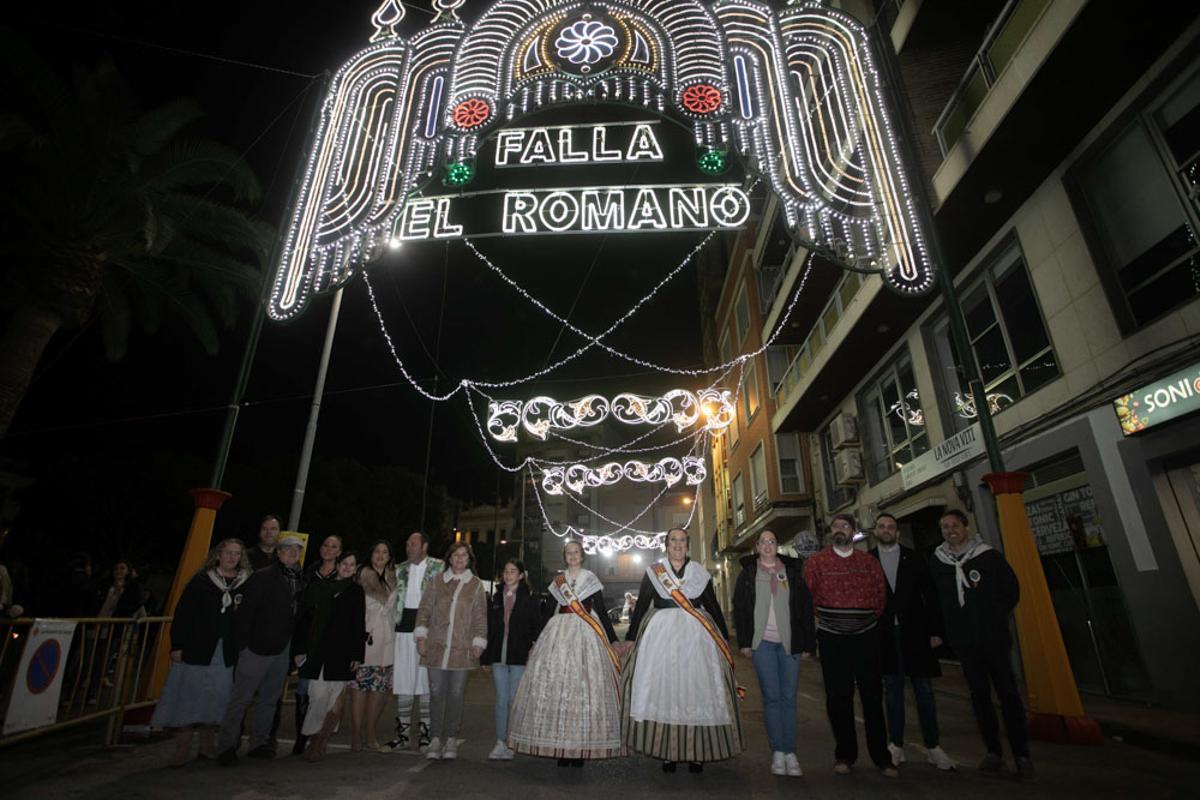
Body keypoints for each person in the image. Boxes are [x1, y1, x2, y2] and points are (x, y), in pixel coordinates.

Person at [622, 527, 741, 773]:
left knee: (697, 688)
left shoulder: (699, 572)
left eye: (682, 540)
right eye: (673, 540)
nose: (678, 544)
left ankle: (697, 753)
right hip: (661, 636)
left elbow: (712, 605)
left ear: (688, 545)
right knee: (666, 689)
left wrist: (723, 636)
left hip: (696, 636)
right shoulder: (654, 572)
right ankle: (670, 753)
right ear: (666, 545)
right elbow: (642, 604)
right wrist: (631, 637)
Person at [929, 509, 1032, 780]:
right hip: (964, 641)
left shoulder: (988, 557)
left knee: (1008, 694)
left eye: (954, 525)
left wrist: (992, 616)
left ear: (966, 527)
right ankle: (993, 751)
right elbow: (935, 600)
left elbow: (1010, 591)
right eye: (945, 527)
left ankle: (1021, 754)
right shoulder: (938, 562)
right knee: (979, 696)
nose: (950, 531)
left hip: (993, 638)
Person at [508, 540, 622, 766]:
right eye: (569, 552)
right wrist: (536, 640)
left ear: (582, 556)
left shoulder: (590, 579)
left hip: (587, 635)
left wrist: (613, 640)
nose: (572, 555)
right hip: (558, 635)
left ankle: (580, 748)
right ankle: (561, 747)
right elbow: (547, 612)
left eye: (576, 552)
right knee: (559, 690)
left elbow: (601, 610)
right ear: (565, 557)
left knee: (584, 690)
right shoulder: (558, 582)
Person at [803, 514, 894, 777]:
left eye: (845, 526)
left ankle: (882, 757)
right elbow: (808, 597)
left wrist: (863, 621)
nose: (839, 530)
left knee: (872, 697)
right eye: (835, 527)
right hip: (832, 639)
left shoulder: (869, 562)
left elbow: (880, 596)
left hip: (866, 638)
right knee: (838, 697)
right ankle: (845, 754)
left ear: (853, 532)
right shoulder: (817, 563)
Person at [152, 539, 251, 765]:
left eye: (237, 553)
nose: (232, 557)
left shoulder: (244, 584)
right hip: (197, 650)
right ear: (218, 555)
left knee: (217, 700)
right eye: (228, 552)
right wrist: (177, 645)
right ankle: (182, 749)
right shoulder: (201, 581)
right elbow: (183, 614)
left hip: (226, 654)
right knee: (188, 699)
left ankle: (207, 747)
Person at [870, 512, 955, 771]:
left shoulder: (915, 558)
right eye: (882, 526)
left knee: (924, 691)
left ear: (897, 532)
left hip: (916, 633)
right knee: (892, 691)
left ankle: (933, 746)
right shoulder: (868, 561)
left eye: (891, 526)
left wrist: (936, 631)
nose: (886, 530)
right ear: (875, 531)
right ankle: (895, 744)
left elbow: (930, 595)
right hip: (885, 636)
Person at [732, 529, 815, 777]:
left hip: (790, 644)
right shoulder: (748, 573)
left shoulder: (791, 571)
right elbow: (740, 609)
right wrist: (744, 642)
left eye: (772, 541)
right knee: (772, 698)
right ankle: (778, 750)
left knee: (789, 698)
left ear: (776, 545)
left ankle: (791, 752)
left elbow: (804, 607)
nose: (768, 545)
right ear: (757, 547)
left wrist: (809, 643)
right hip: (763, 644)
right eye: (763, 542)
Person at [217, 534, 304, 765]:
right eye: (288, 549)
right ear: (278, 552)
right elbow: (245, 613)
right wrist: (244, 647)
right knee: (241, 698)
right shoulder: (263, 576)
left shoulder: (298, 579)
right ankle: (227, 745)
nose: (292, 553)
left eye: (297, 550)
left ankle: (259, 742)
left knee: (270, 699)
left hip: (282, 648)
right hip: (256, 648)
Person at [414, 541, 487, 761]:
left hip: (461, 650)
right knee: (436, 693)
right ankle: (435, 738)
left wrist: (478, 642)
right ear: (450, 558)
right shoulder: (437, 581)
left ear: (469, 559)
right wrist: (421, 636)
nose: (459, 558)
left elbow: (480, 616)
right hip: (436, 647)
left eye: (464, 555)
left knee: (456, 695)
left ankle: (451, 738)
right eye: (456, 555)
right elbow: (424, 609)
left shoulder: (475, 585)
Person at [293, 551, 366, 762]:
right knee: (317, 696)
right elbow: (304, 620)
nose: (347, 567)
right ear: (337, 564)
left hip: (342, 653)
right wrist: (299, 649)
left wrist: (357, 655)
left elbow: (358, 624)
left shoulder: (356, 592)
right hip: (317, 652)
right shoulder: (319, 588)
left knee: (335, 698)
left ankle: (321, 741)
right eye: (345, 563)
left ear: (355, 569)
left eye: (352, 565)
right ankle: (313, 736)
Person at [482, 558, 543, 761]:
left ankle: (513, 742)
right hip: (498, 654)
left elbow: (536, 626)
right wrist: (485, 658)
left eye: (513, 571)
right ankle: (500, 741)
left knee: (514, 700)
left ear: (521, 575)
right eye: (506, 571)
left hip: (519, 655)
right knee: (501, 699)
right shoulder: (496, 598)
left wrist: (533, 646)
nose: (508, 575)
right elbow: (489, 628)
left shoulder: (530, 599)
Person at [388, 532, 444, 751]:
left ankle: (425, 733)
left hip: (428, 632)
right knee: (403, 680)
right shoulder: (398, 569)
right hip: (402, 631)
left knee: (425, 682)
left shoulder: (439, 567)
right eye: (407, 544)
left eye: (413, 543)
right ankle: (402, 734)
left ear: (424, 546)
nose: (408, 547)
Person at [292, 534, 344, 754]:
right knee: (304, 689)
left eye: (334, 547)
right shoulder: (309, 573)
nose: (328, 549)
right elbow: (302, 612)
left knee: (326, 692)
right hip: (308, 639)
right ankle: (301, 736)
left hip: (330, 641)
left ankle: (320, 736)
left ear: (339, 552)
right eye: (325, 545)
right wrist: (298, 647)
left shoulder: (341, 575)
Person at [349, 540, 397, 751]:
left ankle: (370, 732)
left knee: (379, 691)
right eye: (377, 551)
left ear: (389, 556)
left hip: (388, 641)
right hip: (365, 640)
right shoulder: (361, 576)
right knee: (359, 689)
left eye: (385, 552)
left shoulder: (394, 578)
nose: (380, 555)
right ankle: (356, 734)